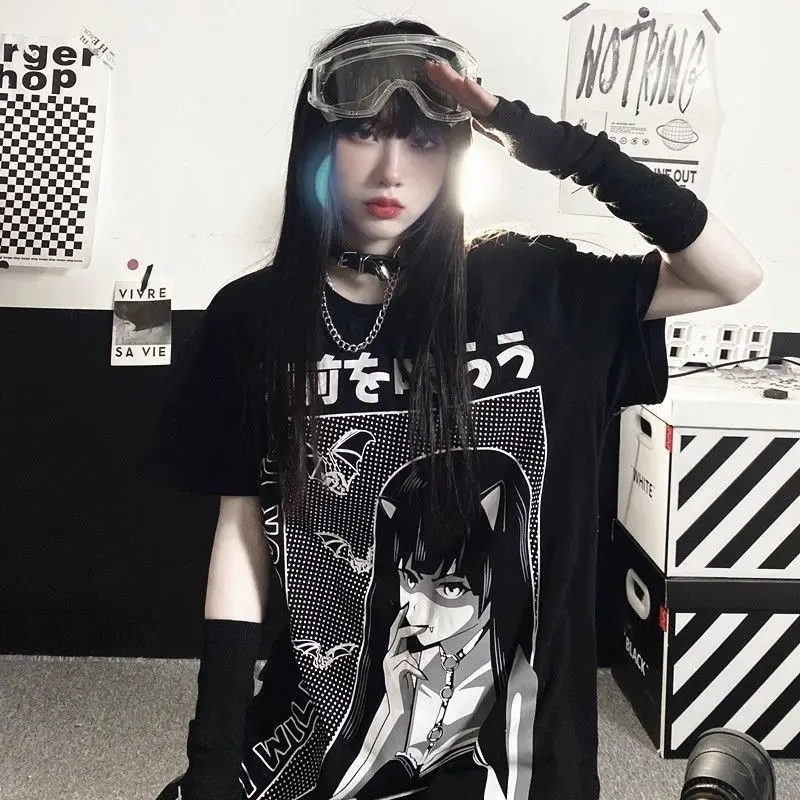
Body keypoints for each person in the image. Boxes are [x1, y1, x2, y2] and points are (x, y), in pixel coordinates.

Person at [141, 17, 763, 800]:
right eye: (364, 132)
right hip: (323, 740)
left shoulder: (533, 289)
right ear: (318, 143)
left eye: (424, 140)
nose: (391, 169)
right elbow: (243, 540)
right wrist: (211, 762)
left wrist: (536, 136)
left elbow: (729, 276)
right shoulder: (252, 319)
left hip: (521, 766)